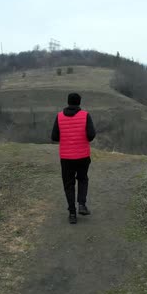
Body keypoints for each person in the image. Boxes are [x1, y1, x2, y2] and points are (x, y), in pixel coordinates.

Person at [51, 93, 96, 224]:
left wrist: (66, 136)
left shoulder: (59, 116)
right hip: (83, 156)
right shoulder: (85, 115)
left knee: (68, 184)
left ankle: (72, 213)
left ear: (68, 102)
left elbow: (54, 137)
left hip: (66, 158)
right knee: (82, 179)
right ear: (79, 102)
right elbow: (91, 135)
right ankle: (81, 204)